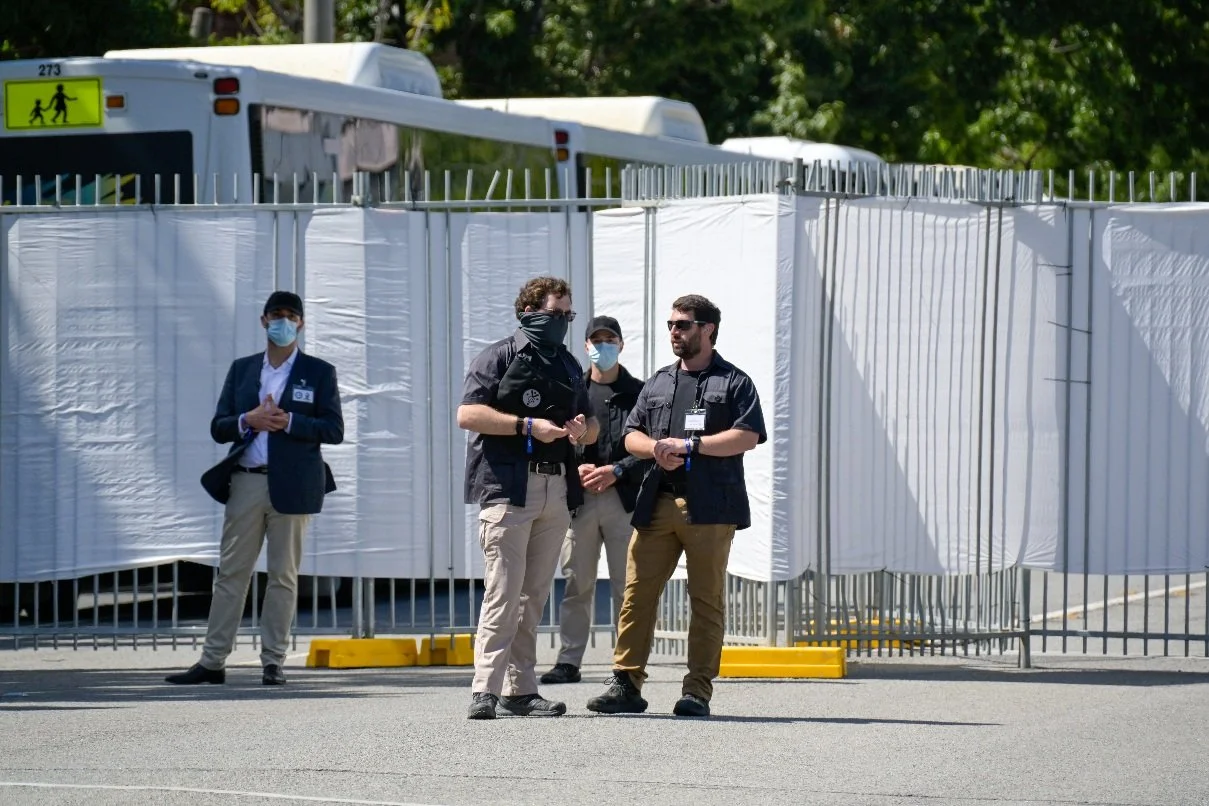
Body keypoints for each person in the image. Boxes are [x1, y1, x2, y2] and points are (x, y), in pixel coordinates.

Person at [587, 294, 766, 718]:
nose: (674, 332)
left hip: (710, 507)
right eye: (671, 324)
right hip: (657, 503)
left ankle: (697, 690)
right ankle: (626, 682)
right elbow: (631, 435)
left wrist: (691, 445)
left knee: (705, 600)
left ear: (708, 330)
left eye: (683, 325)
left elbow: (748, 435)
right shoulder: (660, 381)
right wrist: (656, 448)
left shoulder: (734, 382)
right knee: (637, 595)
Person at [168, 291, 344, 687]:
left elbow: (334, 430)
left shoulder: (318, 372)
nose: (283, 322)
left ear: (301, 323)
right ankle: (212, 661)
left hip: (294, 486)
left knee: (283, 576)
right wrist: (249, 419)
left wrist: (289, 422)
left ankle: (273, 661)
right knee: (231, 573)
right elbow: (219, 426)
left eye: (291, 316)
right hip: (247, 480)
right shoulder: (244, 370)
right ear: (264, 321)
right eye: (276, 315)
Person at [457, 276, 600, 720]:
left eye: (568, 315)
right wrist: (526, 426)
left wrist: (582, 431)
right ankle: (485, 688)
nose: (562, 322)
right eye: (555, 313)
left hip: (554, 487)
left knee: (533, 595)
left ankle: (521, 691)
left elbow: (592, 425)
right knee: (502, 592)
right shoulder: (497, 355)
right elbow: (468, 413)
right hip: (509, 488)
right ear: (528, 312)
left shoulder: (568, 363)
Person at [541, 316, 645, 685]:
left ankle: (625, 665)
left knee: (626, 585)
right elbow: (555, 438)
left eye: (610, 339)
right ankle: (569, 661)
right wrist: (579, 471)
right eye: (596, 340)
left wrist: (616, 470)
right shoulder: (571, 388)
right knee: (577, 583)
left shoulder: (640, 392)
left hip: (623, 498)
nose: (603, 346)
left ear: (621, 343)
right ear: (585, 346)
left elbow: (651, 445)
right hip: (580, 499)